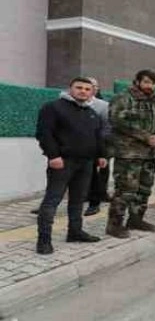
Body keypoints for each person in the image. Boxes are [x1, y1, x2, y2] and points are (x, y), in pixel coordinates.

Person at [35, 77, 107, 254]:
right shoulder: (53, 107)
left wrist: (101, 155)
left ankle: (75, 232)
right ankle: (43, 240)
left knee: (78, 199)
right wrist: (53, 156)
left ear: (92, 92)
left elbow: (97, 136)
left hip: (86, 163)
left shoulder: (90, 112)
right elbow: (44, 133)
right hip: (62, 162)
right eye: (79, 87)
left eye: (87, 89)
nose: (83, 91)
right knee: (52, 200)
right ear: (70, 89)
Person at [106, 70, 155, 238]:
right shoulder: (123, 98)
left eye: (153, 83)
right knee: (125, 190)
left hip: (150, 154)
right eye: (147, 82)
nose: (150, 86)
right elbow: (117, 120)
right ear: (137, 82)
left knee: (144, 189)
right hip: (129, 154)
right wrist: (145, 136)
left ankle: (136, 219)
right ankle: (114, 225)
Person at [84, 77, 111, 216]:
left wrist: (101, 144)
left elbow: (107, 127)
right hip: (75, 147)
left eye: (93, 86)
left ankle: (98, 197)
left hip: (99, 145)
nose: (89, 89)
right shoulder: (68, 102)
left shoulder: (103, 105)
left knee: (99, 172)